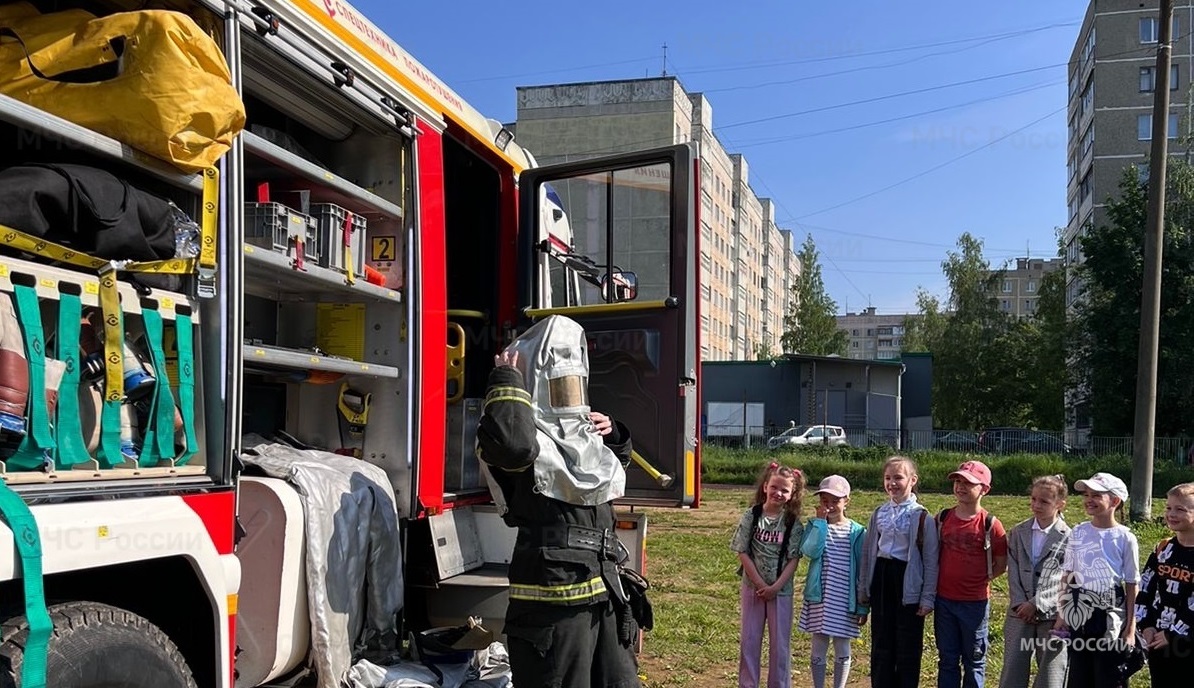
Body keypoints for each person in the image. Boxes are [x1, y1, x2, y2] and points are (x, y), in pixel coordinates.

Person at [474, 314, 645, 688]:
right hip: (553, 603)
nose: (569, 397)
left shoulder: (577, 435)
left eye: (574, 385)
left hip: (605, 590)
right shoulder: (514, 431)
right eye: (559, 384)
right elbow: (514, 448)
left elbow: (608, 471)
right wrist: (507, 383)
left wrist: (613, 434)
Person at [1053, 472, 1140, 688]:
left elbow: (1132, 584)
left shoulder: (1125, 538)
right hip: (1081, 609)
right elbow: (1068, 575)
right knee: (1079, 672)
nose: (1089, 500)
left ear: (1115, 501)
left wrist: (1130, 629)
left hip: (1110, 611)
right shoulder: (1078, 532)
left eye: (1097, 495)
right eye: (1086, 495)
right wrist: (1062, 614)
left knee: (1108, 672)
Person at [859, 456, 939, 688]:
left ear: (913, 480)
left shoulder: (922, 517)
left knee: (907, 643)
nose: (892, 483)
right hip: (882, 578)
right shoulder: (879, 513)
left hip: (908, 581)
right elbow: (868, 553)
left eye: (898, 477)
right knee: (881, 640)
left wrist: (927, 598)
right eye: (887, 478)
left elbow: (931, 561)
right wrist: (864, 589)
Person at [730, 461, 806, 688]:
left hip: (781, 591)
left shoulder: (793, 524)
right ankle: (748, 684)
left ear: (792, 494)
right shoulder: (752, 516)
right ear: (765, 487)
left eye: (784, 490)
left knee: (780, 644)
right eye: (774, 487)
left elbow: (794, 560)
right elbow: (742, 551)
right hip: (752, 588)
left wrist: (775, 587)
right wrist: (760, 583)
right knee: (750, 641)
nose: (778, 493)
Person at [936, 460, 1008, 688]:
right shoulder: (943, 518)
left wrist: (978, 581)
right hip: (944, 601)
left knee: (974, 659)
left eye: (968, 483)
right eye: (958, 481)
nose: (961, 486)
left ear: (984, 489)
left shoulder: (991, 525)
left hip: (974, 604)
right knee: (947, 658)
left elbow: (1000, 564)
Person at [999, 474, 1071, 688]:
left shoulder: (1070, 537)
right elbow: (1013, 571)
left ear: (1060, 504)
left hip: (1052, 615)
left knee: (1051, 673)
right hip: (1019, 612)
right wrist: (1020, 602)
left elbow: (1064, 577)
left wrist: (1037, 603)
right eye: (1033, 499)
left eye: (1044, 501)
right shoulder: (1018, 532)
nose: (1036, 505)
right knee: (1013, 670)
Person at [798, 474, 867, 688]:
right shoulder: (815, 526)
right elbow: (811, 551)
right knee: (818, 643)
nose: (829, 506)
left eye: (835, 501)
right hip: (820, 597)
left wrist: (863, 606)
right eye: (824, 500)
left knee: (842, 644)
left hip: (845, 600)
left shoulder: (858, 532)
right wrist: (820, 523)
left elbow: (862, 569)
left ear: (847, 501)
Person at [1135, 482, 1194, 687]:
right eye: (1168, 507)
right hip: (1158, 640)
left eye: (1180, 509)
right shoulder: (1163, 549)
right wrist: (1146, 625)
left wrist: (1174, 635)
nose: (1172, 514)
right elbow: (1145, 589)